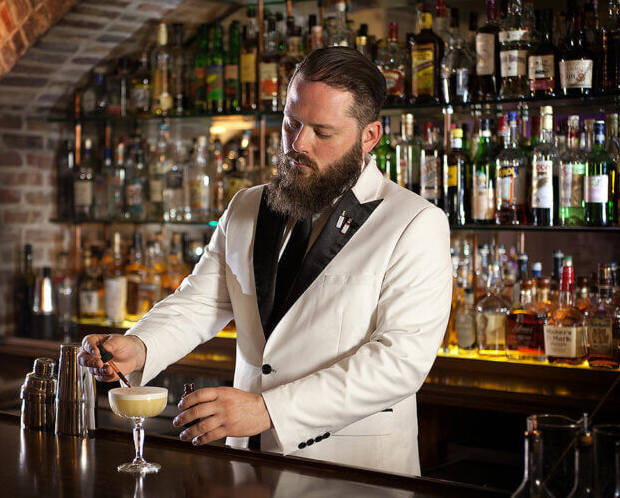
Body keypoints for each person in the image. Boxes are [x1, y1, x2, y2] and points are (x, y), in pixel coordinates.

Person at [79, 47, 451, 476]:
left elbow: (397, 363)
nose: (298, 144)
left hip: (352, 472)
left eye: (322, 133)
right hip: (249, 460)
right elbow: (200, 301)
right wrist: (140, 345)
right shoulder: (248, 206)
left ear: (369, 137)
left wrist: (268, 409)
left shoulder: (414, 222)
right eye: (291, 124)